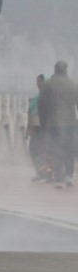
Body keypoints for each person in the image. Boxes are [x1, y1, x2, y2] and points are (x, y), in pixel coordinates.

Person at [38, 60, 78, 188]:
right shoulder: (73, 84)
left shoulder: (47, 85)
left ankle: (59, 178)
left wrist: (43, 123)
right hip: (70, 122)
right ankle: (69, 175)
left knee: (56, 148)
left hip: (53, 122)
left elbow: (41, 105)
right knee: (69, 148)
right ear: (66, 70)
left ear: (55, 70)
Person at [27, 74, 50, 183]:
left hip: (41, 127)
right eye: (37, 81)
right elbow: (31, 113)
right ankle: (42, 172)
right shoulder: (36, 97)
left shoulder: (44, 97)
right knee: (35, 149)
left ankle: (45, 172)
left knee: (38, 149)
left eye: (40, 81)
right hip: (36, 126)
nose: (38, 84)